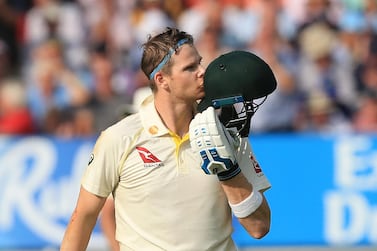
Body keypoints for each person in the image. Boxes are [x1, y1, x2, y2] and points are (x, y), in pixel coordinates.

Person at [60, 27, 272, 251]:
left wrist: (229, 172)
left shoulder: (227, 133)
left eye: (200, 63)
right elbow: (83, 216)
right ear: (162, 80)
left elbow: (260, 227)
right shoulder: (119, 138)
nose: (202, 72)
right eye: (190, 68)